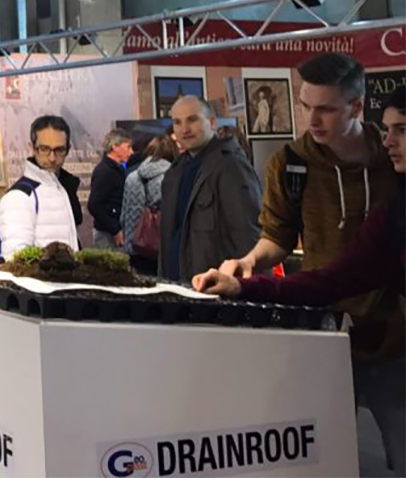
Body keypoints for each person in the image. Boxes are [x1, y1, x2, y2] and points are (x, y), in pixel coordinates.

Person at [193, 85, 406, 477]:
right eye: (389, 129)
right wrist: (245, 284)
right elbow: (329, 280)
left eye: (402, 130)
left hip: (390, 346)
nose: (389, 141)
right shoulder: (392, 215)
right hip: (340, 337)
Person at [158, 96, 262, 281]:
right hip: (176, 285)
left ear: (212, 122)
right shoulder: (175, 171)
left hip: (216, 287)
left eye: (192, 119)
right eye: (177, 122)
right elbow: (169, 237)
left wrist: (253, 287)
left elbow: (248, 236)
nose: (184, 129)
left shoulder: (231, 166)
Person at [0, 115, 83, 262]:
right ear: (32, 148)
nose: (52, 158)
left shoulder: (63, 188)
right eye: (44, 149)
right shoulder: (19, 196)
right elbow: (16, 259)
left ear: (68, 149)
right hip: (40, 277)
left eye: (59, 150)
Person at [120, 135, 179, 274]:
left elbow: (123, 217)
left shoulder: (131, 177)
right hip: (161, 249)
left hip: (135, 248)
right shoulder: (172, 177)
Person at [89, 129, 134, 249]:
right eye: (128, 147)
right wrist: (115, 229)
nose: (131, 152)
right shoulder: (105, 172)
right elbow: (94, 205)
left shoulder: (118, 170)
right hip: (107, 235)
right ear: (115, 146)